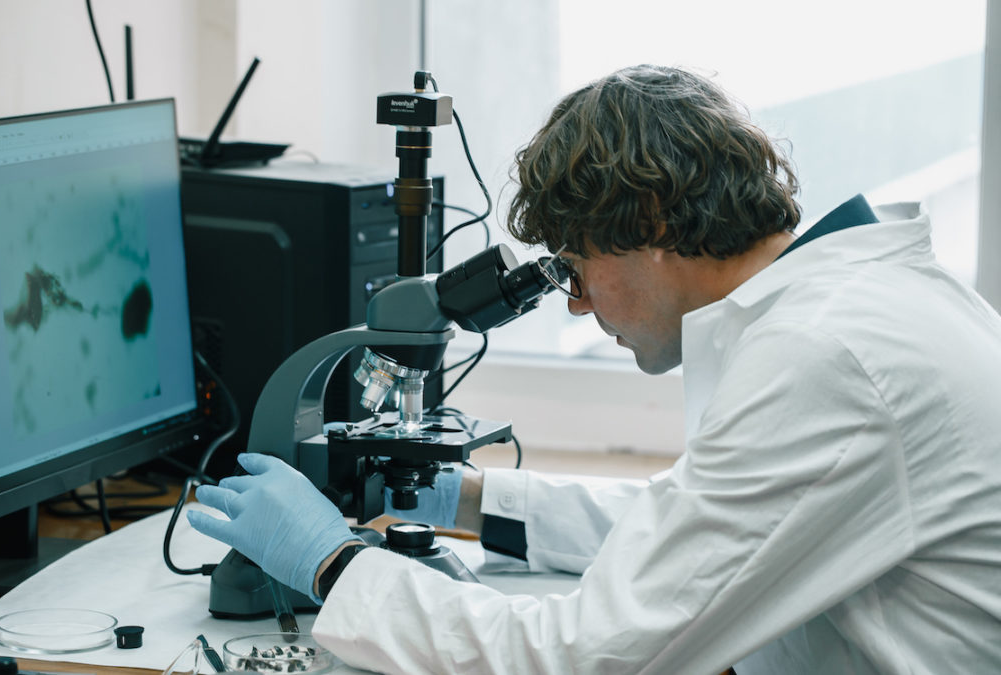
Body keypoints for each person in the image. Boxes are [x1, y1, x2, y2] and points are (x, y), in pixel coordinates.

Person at [187, 64, 1001, 673]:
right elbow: (714, 533)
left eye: (575, 268)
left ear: (648, 225)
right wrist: (469, 498)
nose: (576, 305)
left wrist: (331, 561)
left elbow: (588, 657)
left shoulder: (829, 358)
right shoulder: (853, 308)